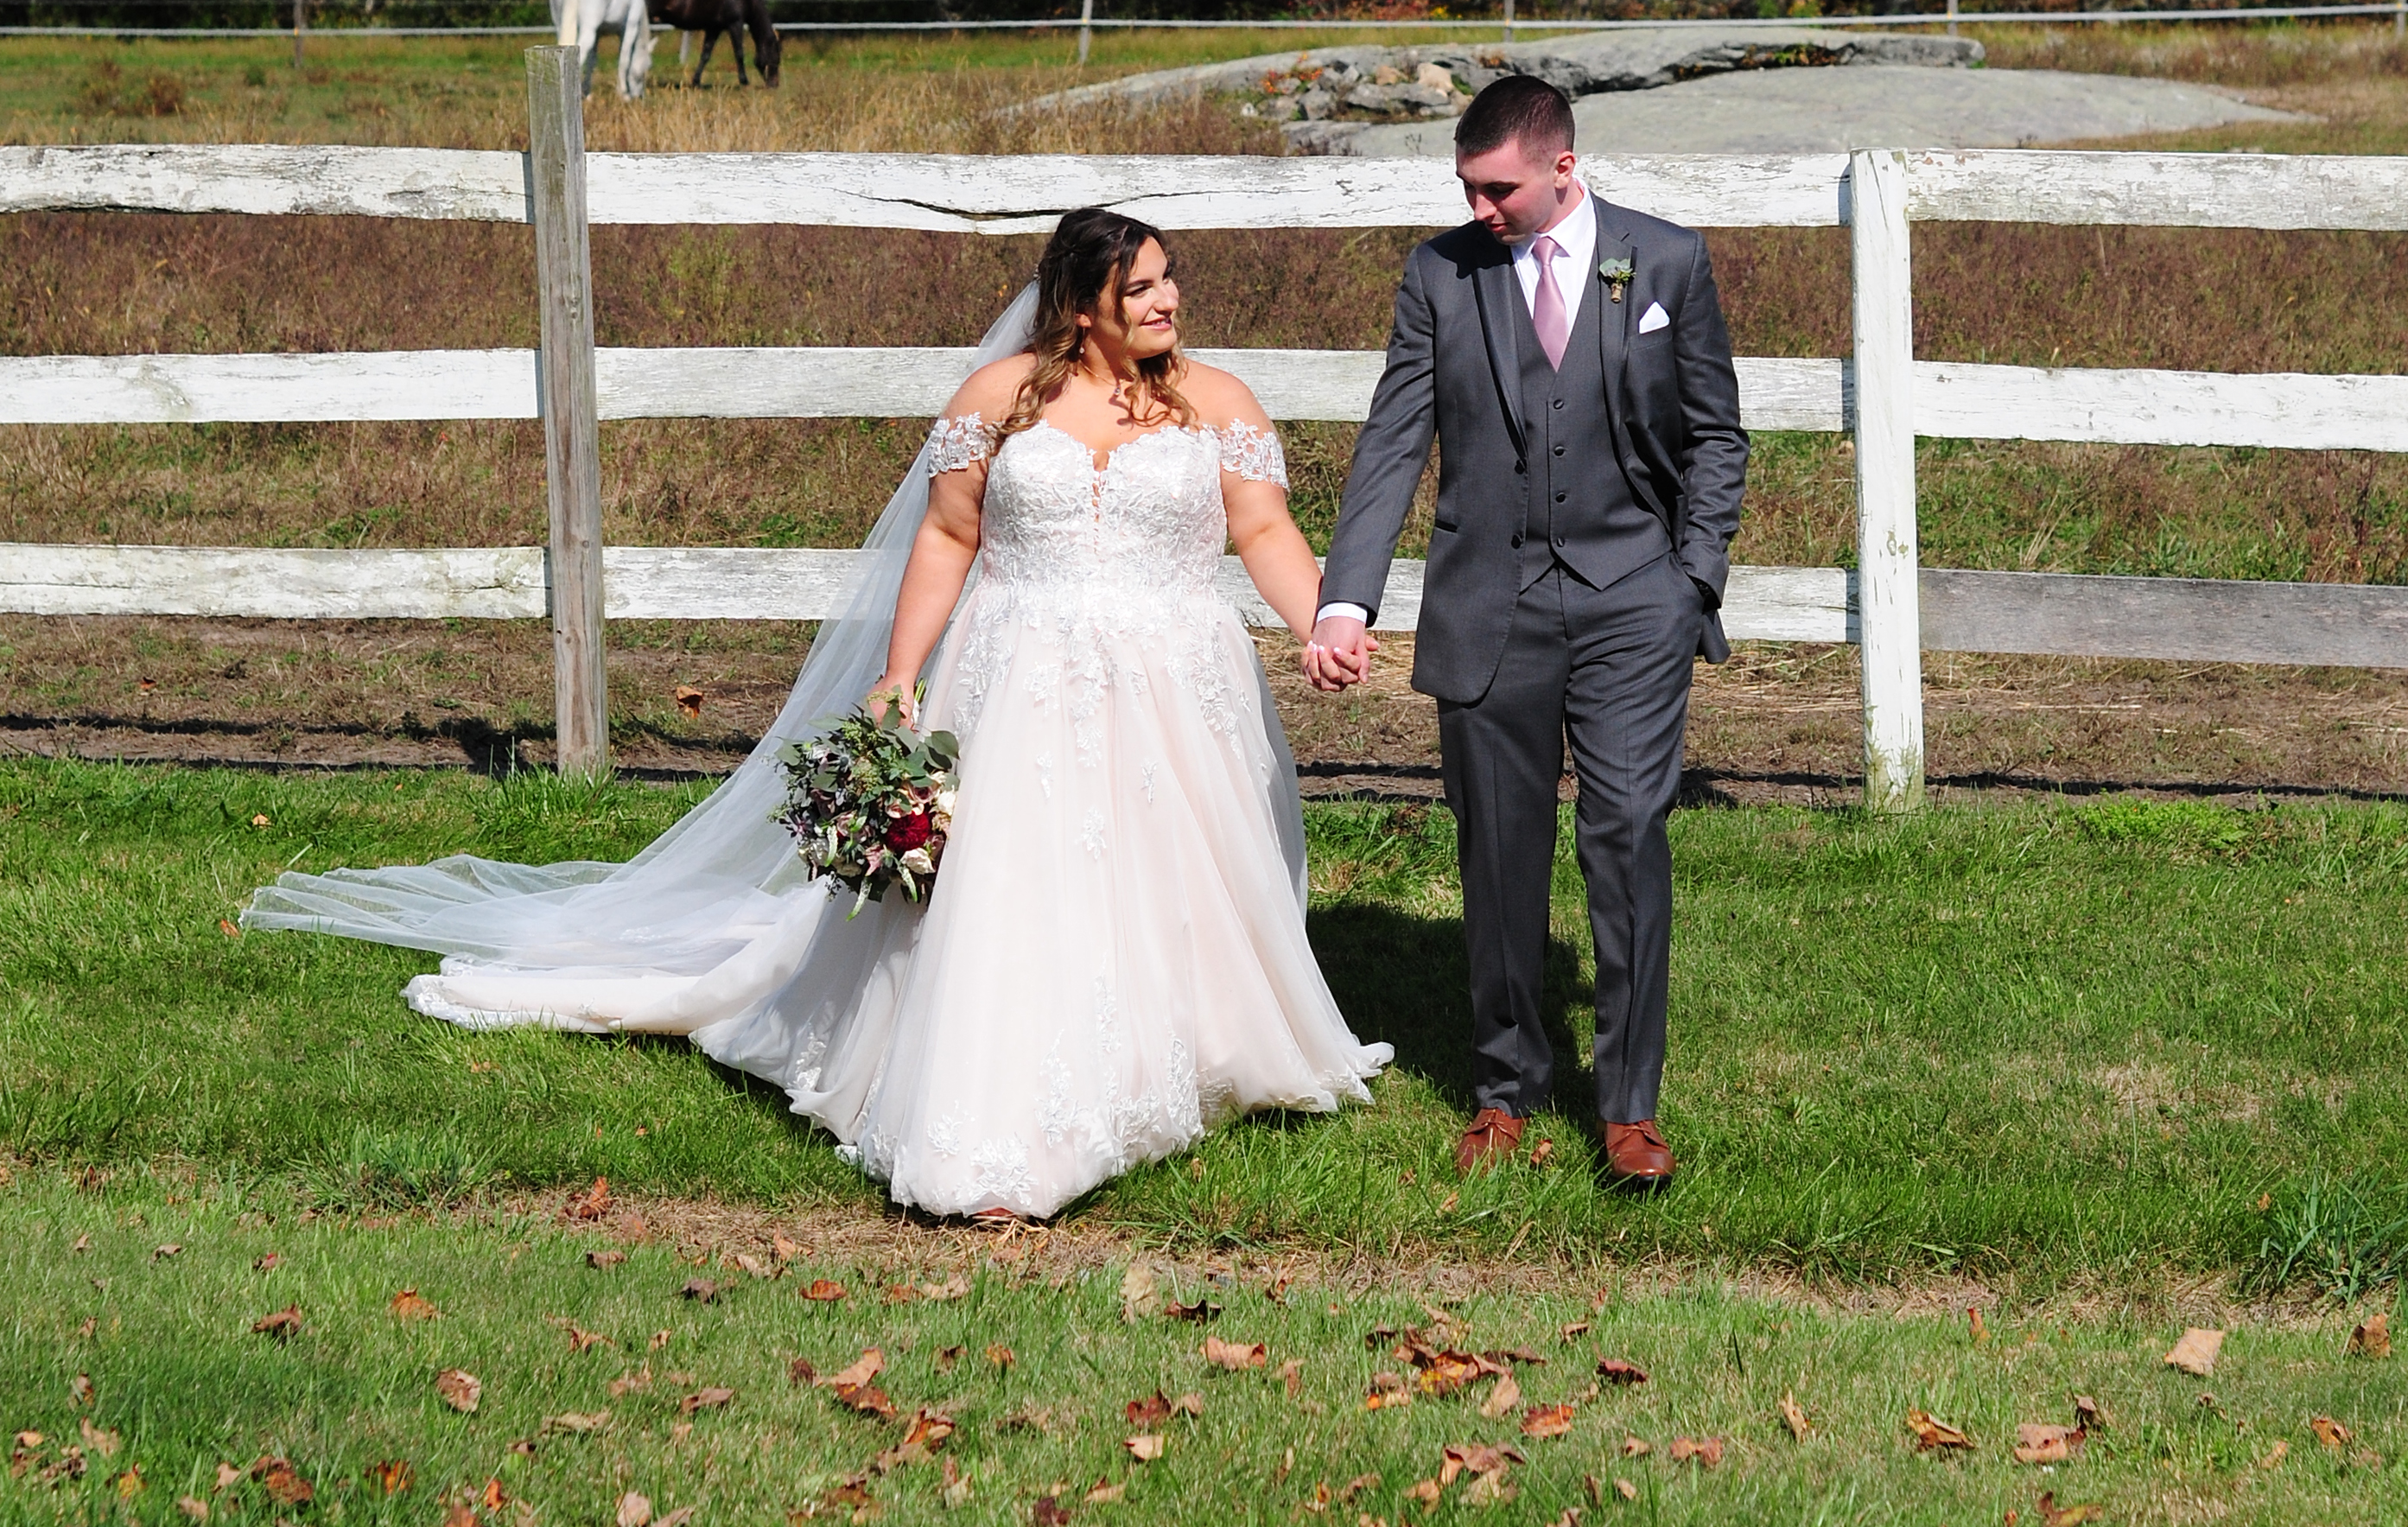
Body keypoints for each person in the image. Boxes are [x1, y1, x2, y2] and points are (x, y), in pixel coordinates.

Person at [244, 209, 1387, 1223]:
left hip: (1176, 679)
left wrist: (1317, 623)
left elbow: (1265, 532)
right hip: (1018, 671)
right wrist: (898, 674)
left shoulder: (1217, 402)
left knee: (1172, 871)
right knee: (1014, 882)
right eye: (1139, 288)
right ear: (1081, 304)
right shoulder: (1001, 399)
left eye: (1169, 281)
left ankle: (1190, 1048)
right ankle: (998, 1094)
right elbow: (949, 537)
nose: (1167, 301)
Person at [1305, 73, 1746, 1189]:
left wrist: (1691, 581)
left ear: (1563, 167)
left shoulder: (1668, 263)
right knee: (1498, 854)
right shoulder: (1438, 276)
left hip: (1634, 602)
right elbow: (1393, 439)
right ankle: (1506, 1089)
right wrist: (1348, 598)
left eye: (1496, 188)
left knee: (1627, 837)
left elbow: (1716, 440)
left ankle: (1630, 1106)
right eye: (1465, 187)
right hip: (1488, 605)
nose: (1479, 208)